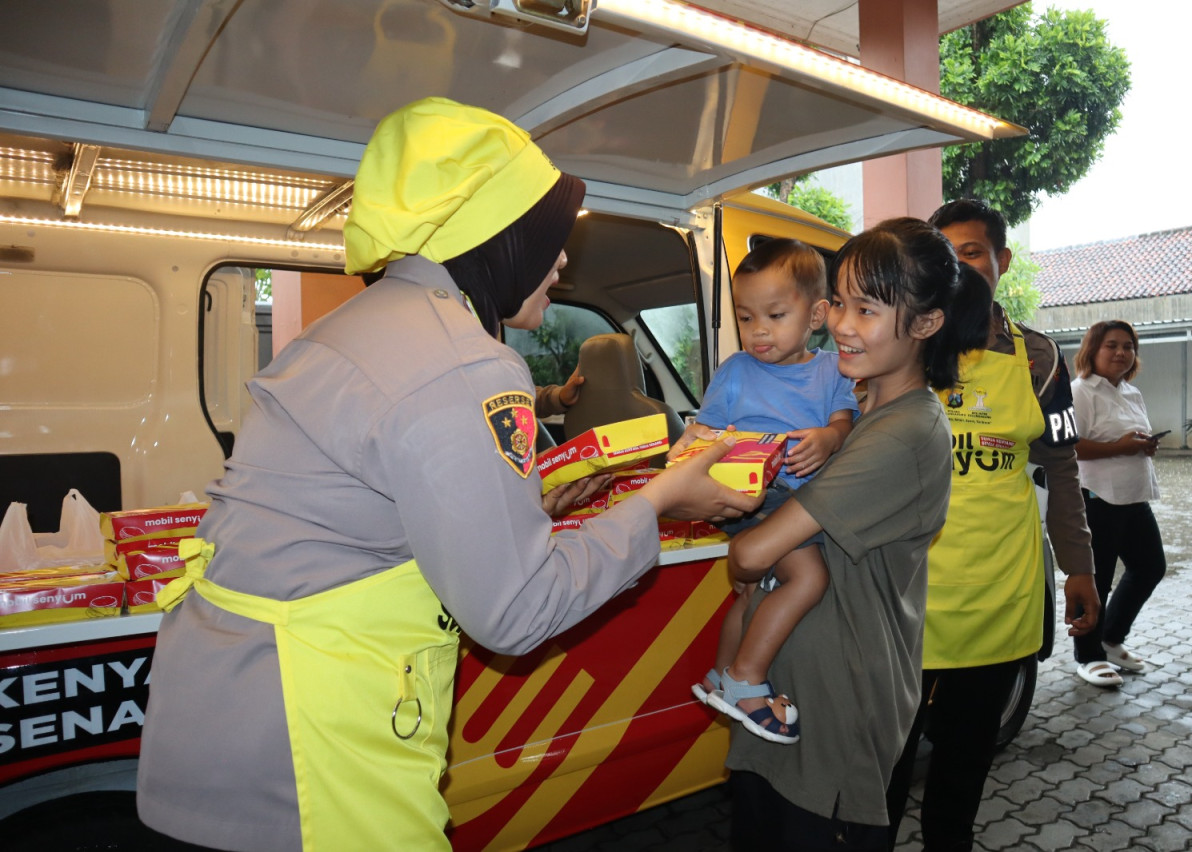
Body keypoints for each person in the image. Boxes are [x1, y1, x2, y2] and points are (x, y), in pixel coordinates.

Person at [135, 97, 762, 852]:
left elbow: (365, 515)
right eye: (550, 238)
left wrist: (529, 507)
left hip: (220, 724)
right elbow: (517, 610)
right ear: (499, 236)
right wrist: (660, 498)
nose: (563, 262)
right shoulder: (464, 360)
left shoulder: (346, 329)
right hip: (310, 752)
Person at [724, 217, 992, 851]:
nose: (842, 324)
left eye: (867, 309)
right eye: (840, 302)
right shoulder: (857, 409)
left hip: (833, 725)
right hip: (788, 702)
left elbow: (750, 553)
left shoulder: (904, 432)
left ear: (926, 323)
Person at [885, 198, 1101, 851]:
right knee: (883, 770)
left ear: (1002, 260)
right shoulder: (903, 342)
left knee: (962, 770)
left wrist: (1080, 568)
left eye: (972, 252)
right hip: (903, 596)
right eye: (944, 255)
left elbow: (1061, 470)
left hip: (999, 596)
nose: (957, 267)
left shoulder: (1040, 358)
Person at [684, 237, 859, 744]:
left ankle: (721, 675)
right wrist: (693, 443)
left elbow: (843, 424)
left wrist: (829, 438)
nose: (757, 330)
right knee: (808, 579)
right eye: (745, 317)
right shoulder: (736, 371)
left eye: (775, 315)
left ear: (817, 315)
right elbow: (704, 432)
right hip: (754, 495)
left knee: (753, 591)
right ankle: (746, 678)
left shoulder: (832, 369)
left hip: (802, 502)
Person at [1070, 319, 1166, 687]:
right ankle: (1087, 656)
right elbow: (1071, 446)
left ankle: (1110, 639)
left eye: (1128, 346)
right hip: (1097, 497)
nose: (1121, 352)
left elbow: (1130, 439)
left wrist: (1144, 445)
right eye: (1111, 345)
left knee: (1150, 567)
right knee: (1096, 579)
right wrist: (1120, 447)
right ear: (1092, 350)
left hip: (1133, 496)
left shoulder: (1131, 393)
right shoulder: (1081, 391)